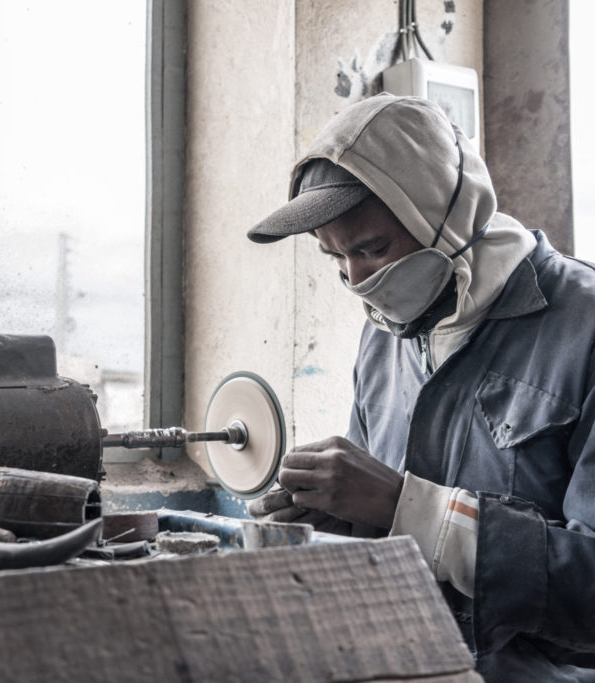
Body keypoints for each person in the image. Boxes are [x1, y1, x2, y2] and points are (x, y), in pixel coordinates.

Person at [245, 93, 595, 680]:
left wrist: (404, 506)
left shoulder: (582, 329)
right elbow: (390, 527)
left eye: (372, 249)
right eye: (335, 260)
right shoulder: (383, 339)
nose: (358, 281)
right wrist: (339, 517)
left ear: (445, 211)